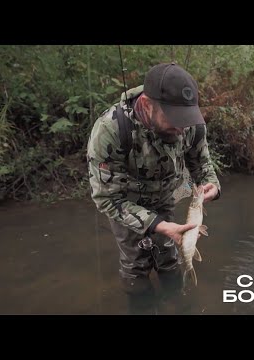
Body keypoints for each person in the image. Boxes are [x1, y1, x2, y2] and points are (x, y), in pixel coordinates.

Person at [87, 62, 221, 312]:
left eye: (187, 119)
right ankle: (142, 305)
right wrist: (157, 225)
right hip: (127, 204)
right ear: (148, 105)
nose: (182, 128)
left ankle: (177, 301)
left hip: (166, 196)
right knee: (135, 264)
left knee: (170, 254)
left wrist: (210, 185)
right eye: (174, 120)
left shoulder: (190, 123)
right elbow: (107, 199)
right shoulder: (110, 130)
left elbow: (201, 163)